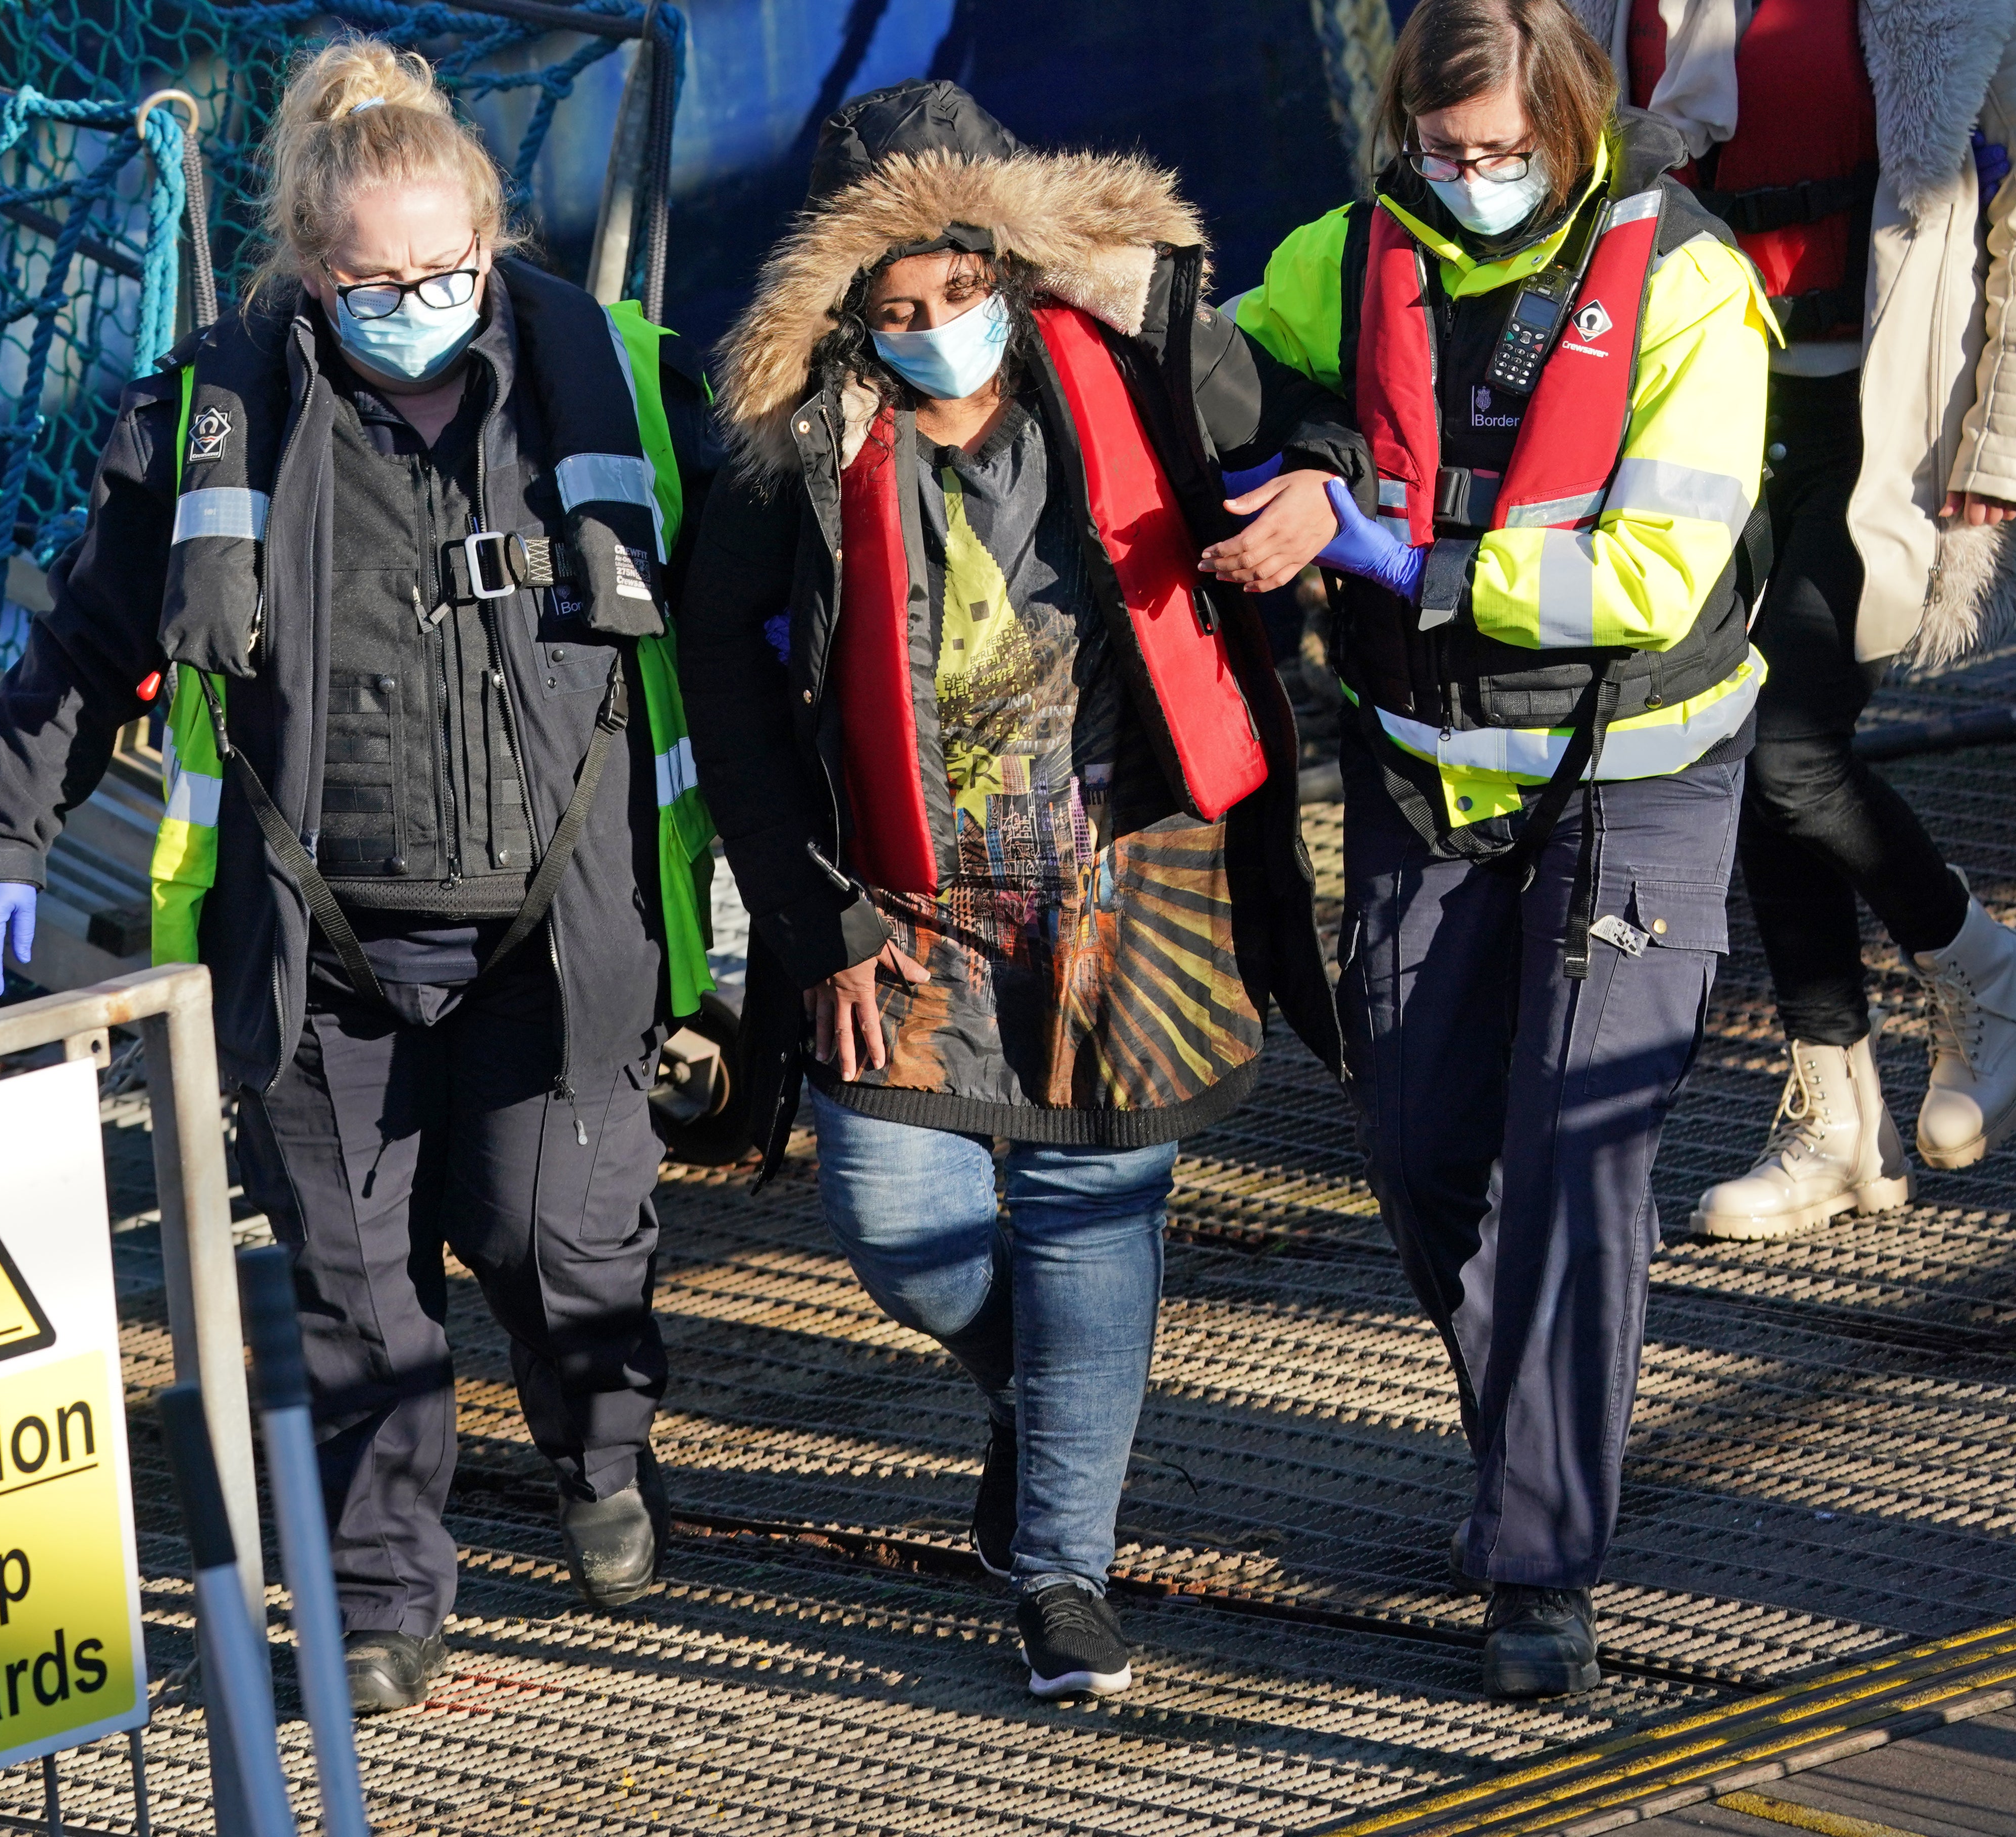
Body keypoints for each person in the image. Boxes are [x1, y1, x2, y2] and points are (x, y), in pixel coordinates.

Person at [0, 37, 718, 1714]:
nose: (416, 306)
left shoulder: (620, 381)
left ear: (493, 237)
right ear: (309, 269)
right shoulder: (210, 425)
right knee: (359, 1304)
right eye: (375, 282)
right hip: (317, 945)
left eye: (447, 272)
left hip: (552, 932)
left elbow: (746, 606)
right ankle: (380, 1606)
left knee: (549, 1244)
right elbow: (85, 648)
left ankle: (599, 1455)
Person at [681, 79, 1355, 1702]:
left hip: (1131, 863)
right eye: (899, 307)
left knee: (1087, 1213)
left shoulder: (1125, 351)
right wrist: (809, 911)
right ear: (845, 309)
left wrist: (1319, 485)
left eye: (967, 290)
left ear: (1017, 258)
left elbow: (1317, 414)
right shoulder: (803, 440)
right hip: (898, 897)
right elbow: (715, 652)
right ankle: (1038, 1402)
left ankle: (1064, 1571)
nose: (940, 329)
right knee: (897, 1225)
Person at [1234, 0, 1772, 1696]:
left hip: (1633, 774)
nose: (1466, 181)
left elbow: (1649, 581)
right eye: (1439, 154)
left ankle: (1538, 1558)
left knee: (1573, 1169)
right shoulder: (1340, 254)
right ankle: (1543, 1432)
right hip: (1419, 784)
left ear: (1572, 123)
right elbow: (1229, 381)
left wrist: (1387, 554)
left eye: (1500, 155)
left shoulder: (1685, 285)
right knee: (1411, 1151)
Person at [1561, 0, 2016, 1239]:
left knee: (1786, 735)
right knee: (1734, 739)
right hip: (1699, 417)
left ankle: (1978, 961)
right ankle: (1836, 1116)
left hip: (1891, 429)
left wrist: (2004, 445)